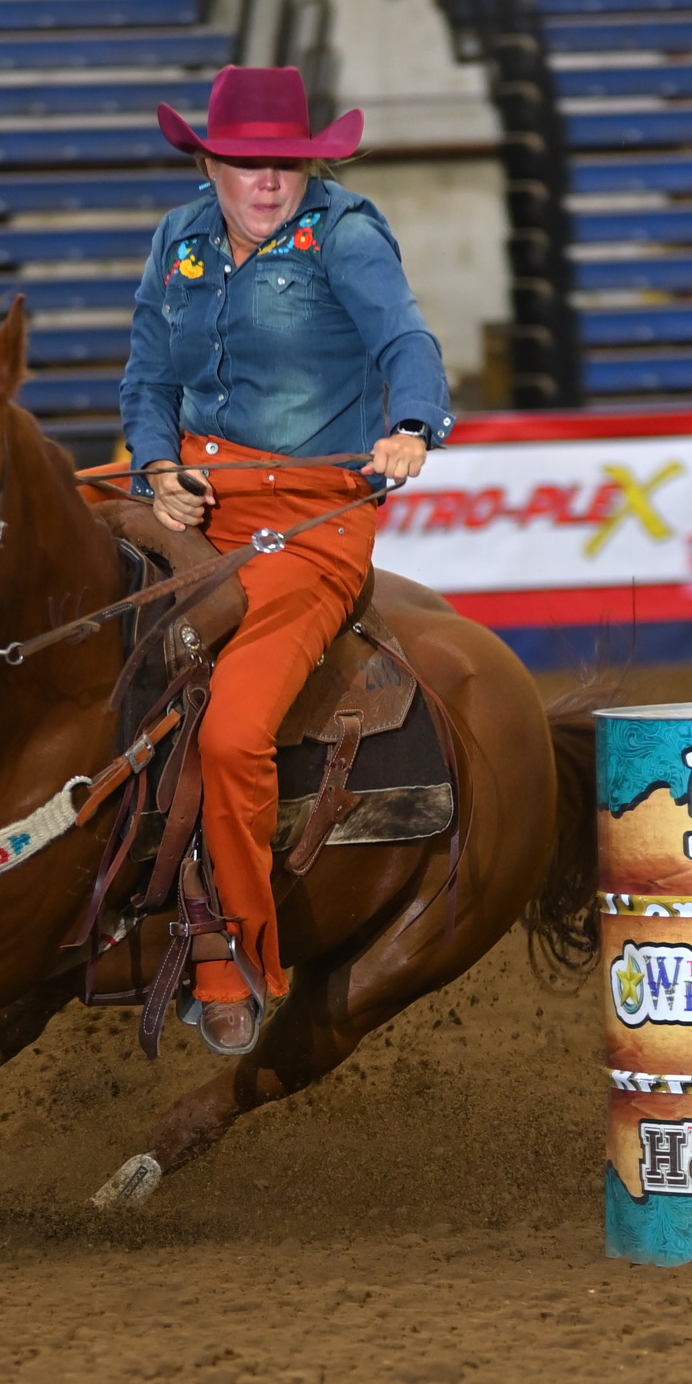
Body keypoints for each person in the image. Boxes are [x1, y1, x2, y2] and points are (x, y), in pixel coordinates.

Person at [119, 65, 456, 1057]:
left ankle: (236, 957)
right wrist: (154, 464)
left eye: (285, 162)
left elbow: (405, 336)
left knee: (231, 737)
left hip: (310, 520)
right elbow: (146, 375)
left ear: (312, 162)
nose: (266, 181)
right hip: (194, 500)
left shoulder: (345, 233)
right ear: (209, 159)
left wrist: (410, 425)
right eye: (244, 162)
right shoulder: (177, 240)